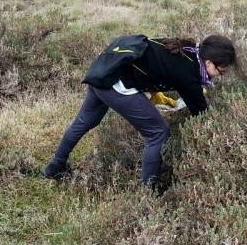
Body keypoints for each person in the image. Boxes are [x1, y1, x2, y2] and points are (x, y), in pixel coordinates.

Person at [41, 35, 237, 187]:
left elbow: (153, 62)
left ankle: (54, 166)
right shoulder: (188, 74)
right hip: (116, 85)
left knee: (84, 121)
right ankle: (147, 191)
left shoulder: (185, 50)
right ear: (209, 62)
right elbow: (202, 114)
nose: (221, 76)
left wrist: (155, 92)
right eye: (222, 71)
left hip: (103, 72)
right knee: (158, 132)